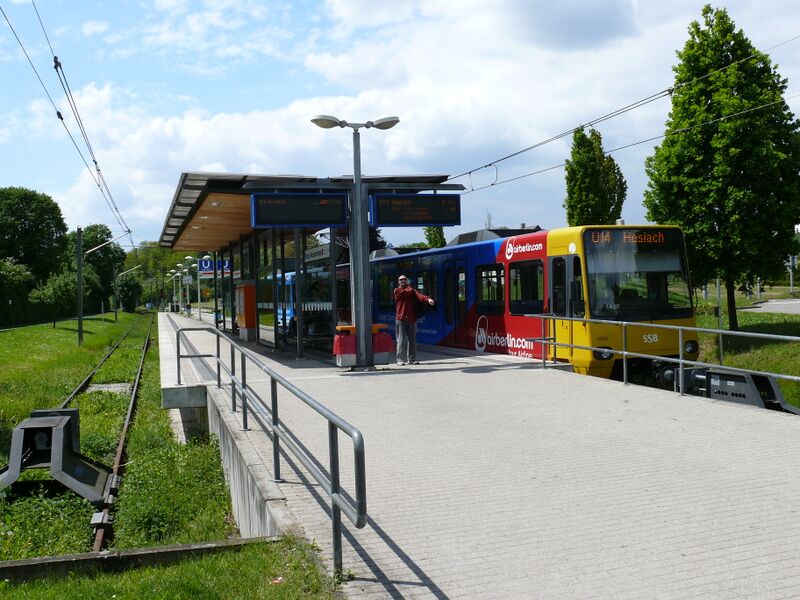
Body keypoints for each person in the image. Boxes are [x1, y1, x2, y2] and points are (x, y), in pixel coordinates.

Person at [394, 274, 434, 365]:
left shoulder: (411, 290)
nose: (403, 281)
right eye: (401, 280)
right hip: (401, 318)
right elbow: (404, 294)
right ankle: (399, 359)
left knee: (412, 339)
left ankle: (412, 359)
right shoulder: (397, 290)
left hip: (411, 318)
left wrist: (428, 300)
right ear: (398, 282)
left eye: (404, 279)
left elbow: (420, 296)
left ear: (407, 280)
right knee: (401, 339)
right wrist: (410, 289)